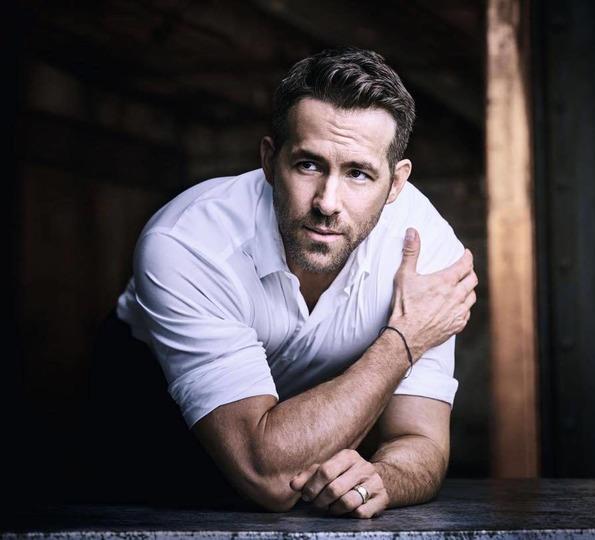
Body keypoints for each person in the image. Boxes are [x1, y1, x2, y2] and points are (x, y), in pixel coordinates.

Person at [95, 47, 477, 517]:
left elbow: (419, 439)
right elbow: (269, 479)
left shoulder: (424, 251)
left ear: (396, 183)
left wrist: (384, 478)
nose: (327, 202)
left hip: (303, 424)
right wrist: (404, 341)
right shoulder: (188, 242)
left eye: (358, 173)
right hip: (152, 409)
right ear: (269, 159)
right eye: (309, 165)